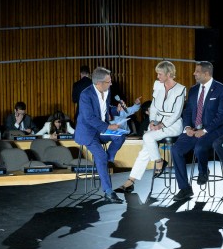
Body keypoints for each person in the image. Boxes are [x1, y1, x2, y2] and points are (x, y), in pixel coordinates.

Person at [115, 61, 186, 193]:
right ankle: (131, 181)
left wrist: (161, 125)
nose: (157, 76)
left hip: (173, 125)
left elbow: (177, 113)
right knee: (145, 148)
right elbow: (153, 106)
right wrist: (152, 121)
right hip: (156, 122)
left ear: (169, 74)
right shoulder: (157, 85)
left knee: (147, 137)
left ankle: (158, 162)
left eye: (160, 74)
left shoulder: (180, 89)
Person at [171, 61, 223, 201]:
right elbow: (188, 111)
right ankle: (185, 188)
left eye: (197, 71)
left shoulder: (222, 90)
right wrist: (187, 128)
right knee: (176, 150)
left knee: (199, 147)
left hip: (214, 130)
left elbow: (222, 116)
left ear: (206, 73)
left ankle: (203, 171)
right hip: (194, 129)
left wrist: (205, 130)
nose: (194, 74)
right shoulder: (193, 90)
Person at [74, 66, 126, 204]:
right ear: (99, 83)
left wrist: (117, 109)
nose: (111, 83)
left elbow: (105, 109)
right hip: (88, 133)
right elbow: (89, 117)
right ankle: (109, 192)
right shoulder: (85, 95)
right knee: (100, 156)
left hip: (101, 130)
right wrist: (109, 126)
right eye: (108, 81)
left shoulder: (107, 91)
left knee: (120, 136)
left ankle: (107, 159)